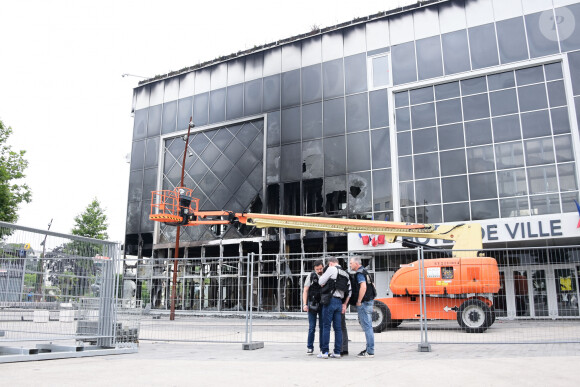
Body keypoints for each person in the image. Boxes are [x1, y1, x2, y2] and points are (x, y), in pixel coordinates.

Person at [318, 257, 351, 359]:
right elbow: (350, 291)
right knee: (338, 328)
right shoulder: (346, 273)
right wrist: (344, 304)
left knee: (326, 326)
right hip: (340, 302)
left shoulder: (332, 269)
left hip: (330, 301)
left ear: (331, 263)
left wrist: (325, 277)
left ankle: (324, 352)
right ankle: (337, 352)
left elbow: (320, 281)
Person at [349, 256, 376, 358]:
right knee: (368, 327)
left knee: (367, 327)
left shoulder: (360, 273)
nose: (350, 265)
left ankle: (370, 351)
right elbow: (373, 286)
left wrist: (359, 301)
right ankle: (369, 349)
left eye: (351, 263)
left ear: (356, 263)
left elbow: (363, 286)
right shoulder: (366, 272)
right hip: (369, 301)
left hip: (364, 303)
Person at [302, 259, 324, 355]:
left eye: (321, 268)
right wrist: (305, 304)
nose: (319, 270)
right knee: (312, 327)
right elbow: (305, 290)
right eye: (317, 269)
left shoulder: (326, 275)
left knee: (322, 327)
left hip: (323, 304)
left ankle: (323, 347)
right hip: (312, 305)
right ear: (314, 269)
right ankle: (310, 347)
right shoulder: (310, 276)